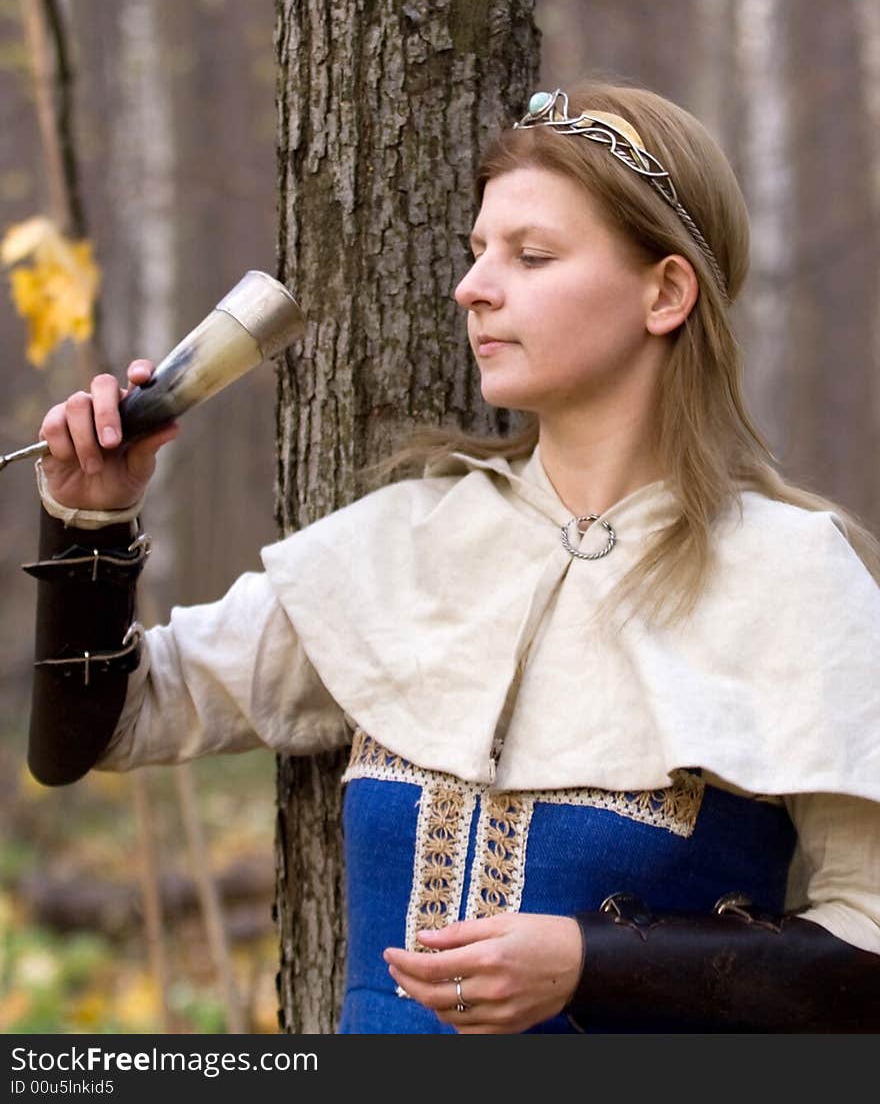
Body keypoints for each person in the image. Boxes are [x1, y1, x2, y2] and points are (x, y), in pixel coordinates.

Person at [24, 81, 880, 1033]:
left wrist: (597, 964)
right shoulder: (402, 544)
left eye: (532, 255)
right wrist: (89, 521)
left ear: (666, 292)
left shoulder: (795, 575)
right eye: (478, 253)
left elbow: (868, 947)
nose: (474, 287)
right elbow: (97, 732)